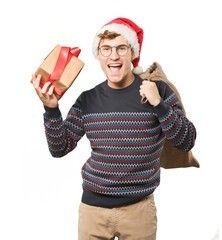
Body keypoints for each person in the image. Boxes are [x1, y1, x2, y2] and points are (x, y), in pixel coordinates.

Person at [32, 17, 196, 240]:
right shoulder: (87, 100)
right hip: (93, 212)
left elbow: (186, 140)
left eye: (121, 48)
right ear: (98, 56)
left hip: (139, 212)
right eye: (106, 49)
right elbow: (59, 148)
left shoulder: (158, 90)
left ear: (132, 53)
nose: (114, 56)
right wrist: (51, 109)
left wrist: (159, 105)